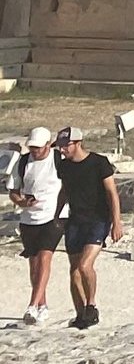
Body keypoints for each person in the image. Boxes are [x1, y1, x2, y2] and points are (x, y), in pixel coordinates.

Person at [51, 129, 118, 330]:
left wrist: (117, 221)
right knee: (74, 271)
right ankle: (81, 315)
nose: (62, 150)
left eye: (66, 145)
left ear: (77, 143)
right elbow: (65, 190)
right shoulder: (64, 166)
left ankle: (91, 305)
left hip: (98, 219)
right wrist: (57, 213)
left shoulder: (99, 163)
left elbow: (112, 193)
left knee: (84, 265)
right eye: (60, 146)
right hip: (75, 219)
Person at [8, 126, 61, 326]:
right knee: (34, 265)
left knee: (44, 258)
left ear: (48, 144)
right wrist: (21, 202)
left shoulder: (58, 160)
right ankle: (42, 305)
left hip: (53, 216)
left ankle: (31, 305)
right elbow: (13, 189)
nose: (35, 151)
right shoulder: (23, 162)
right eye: (32, 147)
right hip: (29, 218)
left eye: (38, 147)